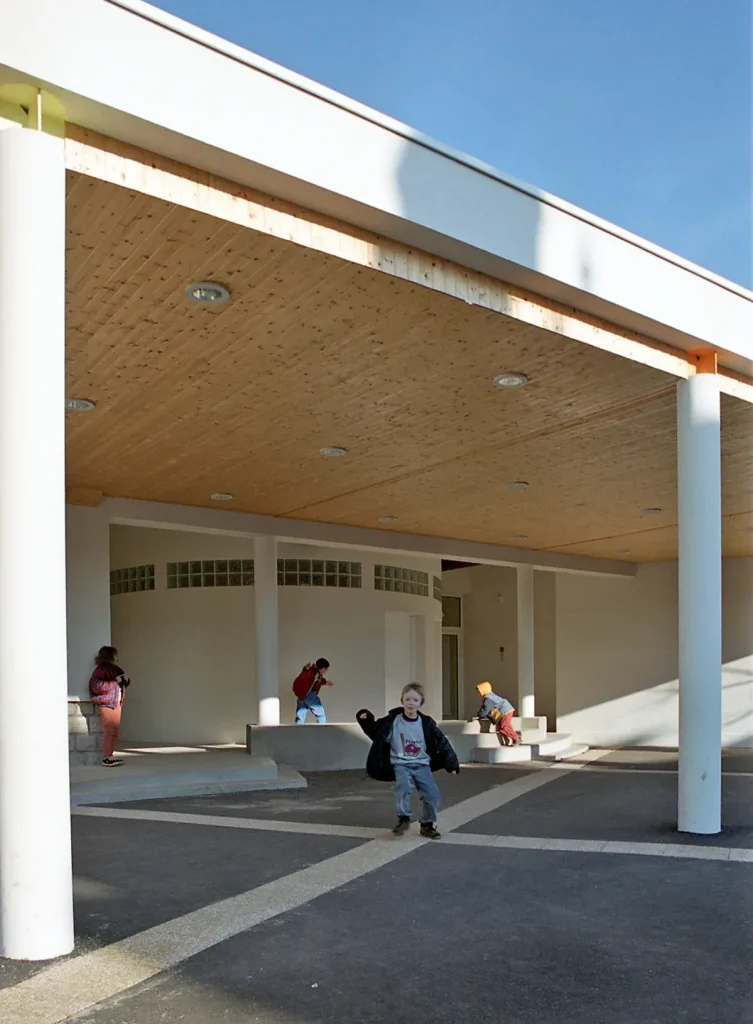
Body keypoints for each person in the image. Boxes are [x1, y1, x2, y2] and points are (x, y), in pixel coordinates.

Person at [356, 683, 460, 840]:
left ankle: (427, 824)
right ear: (402, 701)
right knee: (403, 787)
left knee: (432, 794)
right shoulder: (393, 721)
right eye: (408, 699)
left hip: (422, 764)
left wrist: (451, 763)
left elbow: (442, 742)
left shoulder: (426, 723)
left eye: (415, 700)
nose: (411, 703)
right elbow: (376, 733)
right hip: (401, 763)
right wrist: (365, 720)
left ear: (421, 702)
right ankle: (403, 818)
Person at [89, 646, 130, 767]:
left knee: (115, 730)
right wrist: (115, 682)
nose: (117, 658)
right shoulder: (100, 671)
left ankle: (110, 755)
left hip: (117, 702)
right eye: (115, 655)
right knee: (109, 729)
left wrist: (125, 680)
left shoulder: (115, 669)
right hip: (107, 703)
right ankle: (106, 757)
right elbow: (97, 686)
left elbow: (122, 682)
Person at [475, 681, 520, 746]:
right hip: (502, 713)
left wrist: (480, 715)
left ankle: (516, 738)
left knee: (505, 726)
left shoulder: (489, 698)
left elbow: (485, 709)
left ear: (484, 690)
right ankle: (507, 740)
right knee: (500, 728)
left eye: (479, 691)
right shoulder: (489, 697)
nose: (479, 693)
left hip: (505, 711)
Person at [292, 658, 332, 724]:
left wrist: (326, 682)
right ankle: (322, 726)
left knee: (300, 714)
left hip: (301, 696)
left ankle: (298, 727)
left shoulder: (315, 673)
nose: (326, 671)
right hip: (308, 695)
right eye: (326, 669)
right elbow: (304, 675)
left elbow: (319, 680)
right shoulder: (311, 672)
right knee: (320, 714)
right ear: (322, 669)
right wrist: (306, 669)